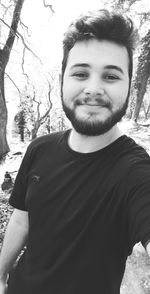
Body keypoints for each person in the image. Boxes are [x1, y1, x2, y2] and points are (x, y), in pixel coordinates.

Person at [0, 8, 150, 294]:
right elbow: (22, 219)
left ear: (130, 85)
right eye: (81, 73)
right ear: (62, 80)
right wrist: (1, 273)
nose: (93, 89)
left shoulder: (136, 171)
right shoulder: (39, 149)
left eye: (111, 76)